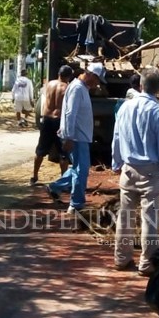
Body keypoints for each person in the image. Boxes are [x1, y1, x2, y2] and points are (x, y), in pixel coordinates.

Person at [112, 68, 159, 277]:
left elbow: (117, 137)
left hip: (128, 170)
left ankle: (121, 258)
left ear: (140, 85)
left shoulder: (125, 107)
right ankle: (147, 263)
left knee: (125, 216)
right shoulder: (158, 112)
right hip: (150, 172)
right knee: (150, 218)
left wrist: (116, 162)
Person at [46, 63, 105, 213]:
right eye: (97, 80)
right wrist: (69, 137)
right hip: (77, 137)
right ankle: (76, 204)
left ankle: (56, 187)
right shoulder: (78, 89)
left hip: (80, 136)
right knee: (82, 170)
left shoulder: (81, 88)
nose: (97, 84)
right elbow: (70, 113)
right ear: (92, 75)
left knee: (79, 168)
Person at [31, 65, 73, 186]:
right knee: (63, 152)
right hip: (59, 121)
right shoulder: (67, 88)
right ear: (68, 76)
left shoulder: (48, 84)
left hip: (47, 119)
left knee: (40, 150)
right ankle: (63, 179)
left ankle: (34, 176)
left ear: (59, 74)